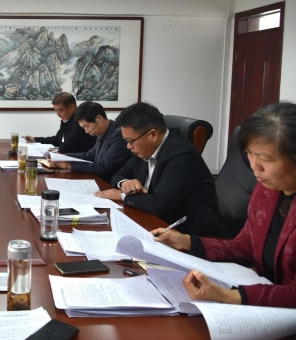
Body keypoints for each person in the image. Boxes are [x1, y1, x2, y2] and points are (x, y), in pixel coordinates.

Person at [153, 102, 296, 308]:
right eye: (250, 154)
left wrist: (228, 296)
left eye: (265, 158)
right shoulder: (267, 191)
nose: (254, 167)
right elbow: (244, 248)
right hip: (266, 303)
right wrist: (187, 241)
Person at [97, 102, 228, 238]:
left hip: (192, 234)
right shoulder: (142, 148)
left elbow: (158, 204)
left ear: (153, 135)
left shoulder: (182, 154)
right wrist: (124, 183)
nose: (128, 147)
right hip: (157, 221)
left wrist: (122, 196)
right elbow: (118, 174)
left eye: (130, 141)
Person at [50, 101, 129, 182]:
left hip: (111, 183)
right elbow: (90, 155)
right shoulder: (101, 131)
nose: (86, 131)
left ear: (99, 119)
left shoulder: (119, 134)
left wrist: (69, 166)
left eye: (87, 126)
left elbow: (103, 166)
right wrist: (64, 156)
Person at [24, 92, 95, 154]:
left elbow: (67, 146)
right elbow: (56, 139)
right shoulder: (66, 120)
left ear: (71, 107)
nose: (58, 114)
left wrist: (55, 150)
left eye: (60, 111)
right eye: (56, 111)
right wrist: (35, 139)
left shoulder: (80, 122)